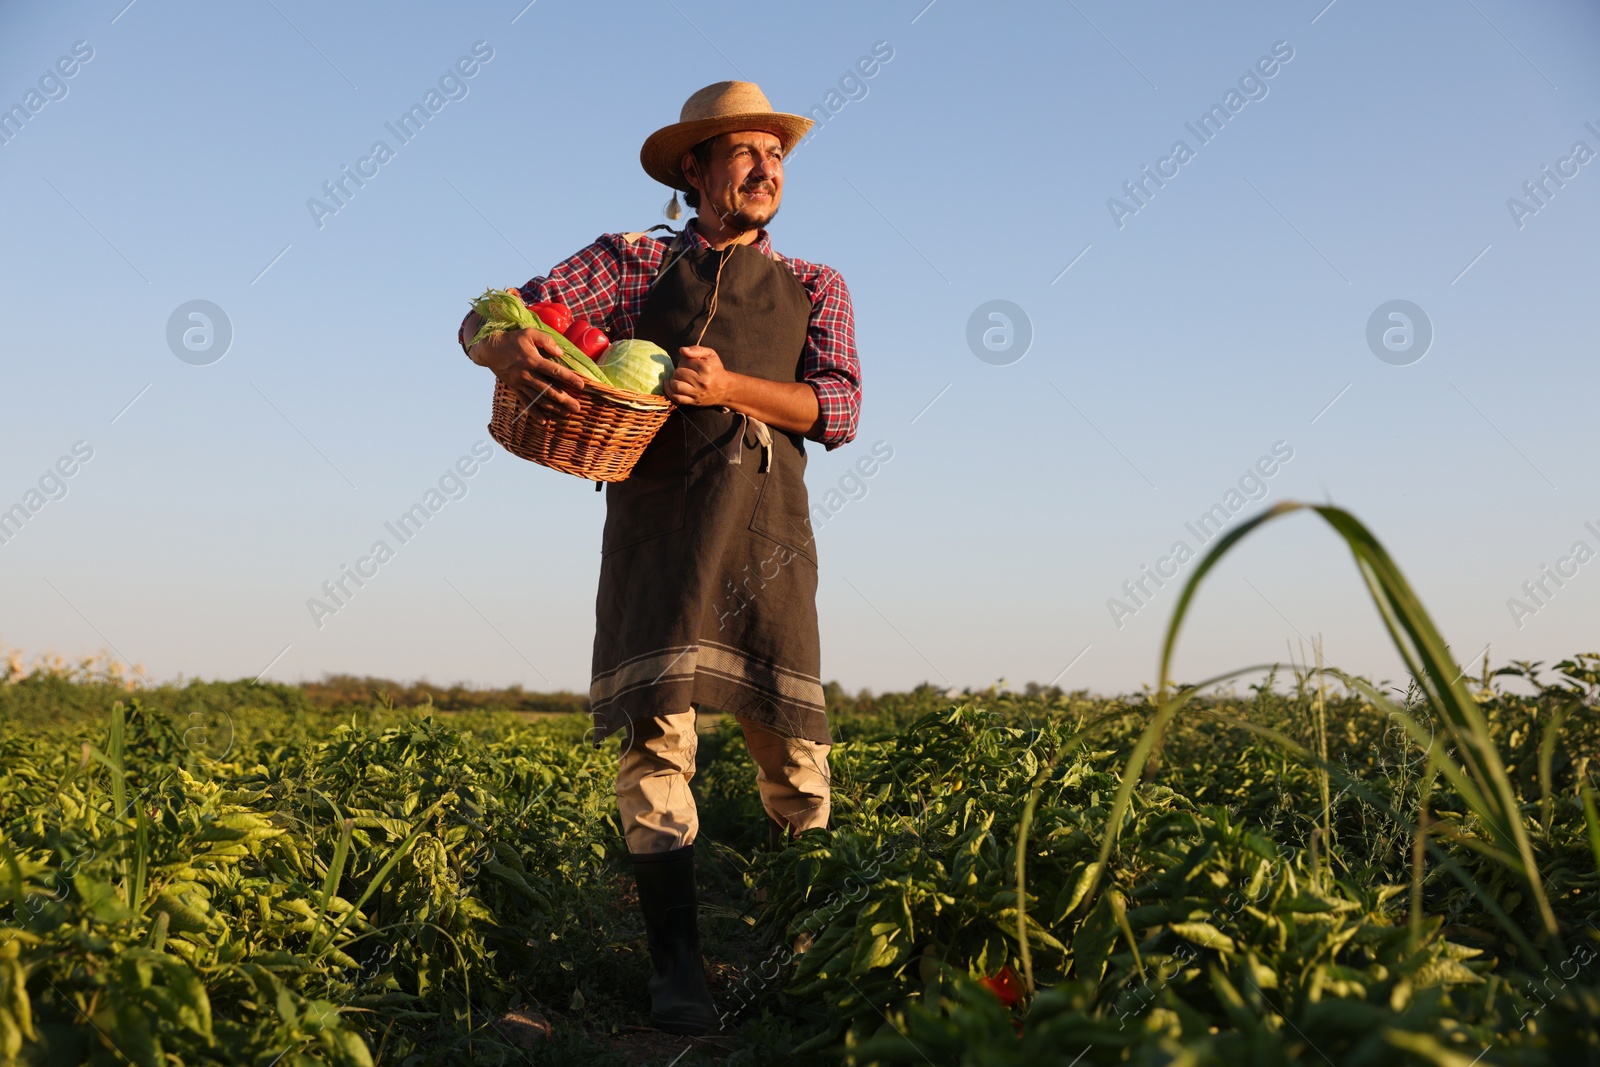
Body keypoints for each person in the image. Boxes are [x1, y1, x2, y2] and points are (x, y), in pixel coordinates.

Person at [457, 81, 861, 1034]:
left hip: (765, 531)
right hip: (657, 529)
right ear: (695, 170)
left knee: (795, 753)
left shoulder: (816, 284)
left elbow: (836, 409)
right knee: (656, 742)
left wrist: (734, 385)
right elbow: (488, 320)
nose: (766, 170)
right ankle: (678, 971)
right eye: (745, 153)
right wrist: (505, 344)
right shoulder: (629, 263)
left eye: (778, 157)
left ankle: (806, 942)